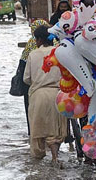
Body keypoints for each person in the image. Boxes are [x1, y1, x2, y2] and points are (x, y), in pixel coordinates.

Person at [23, 25, 67, 163]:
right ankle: (55, 157)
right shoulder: (59, 53)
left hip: (38, 95)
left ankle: (38, 163)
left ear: (40, 39)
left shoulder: (33, 54)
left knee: (38, 130)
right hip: (58, 95)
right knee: (55, 130)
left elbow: (26, 78)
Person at [18, 19, 49, 135]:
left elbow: (24, 72)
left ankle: (33, 133)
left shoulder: (30, 46)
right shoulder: (56, 45)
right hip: (53, 87)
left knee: (32, 112)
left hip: (33, 87)